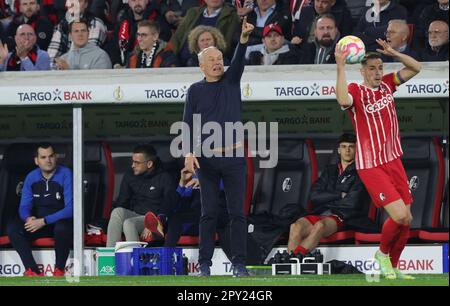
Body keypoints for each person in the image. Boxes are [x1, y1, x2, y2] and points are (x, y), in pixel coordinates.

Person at [335, 38, 422, 279]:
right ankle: (382, 254)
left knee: (407, 220)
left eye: (380, 67)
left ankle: (393, 266)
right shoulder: (356, 90)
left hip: (393, 160)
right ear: (362, 71)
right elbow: (343, 100)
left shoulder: (387, 85)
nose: (377, 72)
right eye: (372, 68)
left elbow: (416, 67)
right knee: (400, 215)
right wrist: (340, 67)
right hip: (371, 165)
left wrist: (394, 53)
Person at [182, 17, 254, 277]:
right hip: (207, 161)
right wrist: (189, 153)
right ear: (202, 66)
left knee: (238, 214)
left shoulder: (232, 80)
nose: (217, 62)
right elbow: (187, 125)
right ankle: (204, 265)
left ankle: (239, 264)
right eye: (211, 60)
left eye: (219, 58)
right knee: (208, 213)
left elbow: (239, 60)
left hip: (234, 158)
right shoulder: (195, 91)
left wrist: (244, 39)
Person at [287, 133, 374, 255]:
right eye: (343, 147)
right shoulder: (330, 171)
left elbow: (352, 203)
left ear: (356, 150)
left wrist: (327, 198)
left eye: (351, 147)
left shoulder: (361, 172)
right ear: (338, 150)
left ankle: (294, 258)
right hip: (322, 212)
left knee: (319, 226)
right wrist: (339, 195)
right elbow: (314, 196)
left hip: (345, 217)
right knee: (295, 226)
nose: (347, 150)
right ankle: (290, 261)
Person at [7, 143, 73, 277]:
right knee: (13, 229)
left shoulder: (66, 174)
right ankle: (33, 271)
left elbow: (71, 209)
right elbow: (24, 206)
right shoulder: (31, 177)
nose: (48, 160)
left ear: (56, 157)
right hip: (38, 223)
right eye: (43, 157)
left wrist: (44, 221)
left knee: (62, 228)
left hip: (59, 221)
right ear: (36, 161)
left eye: (51, 156)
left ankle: (59, 270)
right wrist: (28, 218)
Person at [106, 144, 178, 247]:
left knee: (129, 223)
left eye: (137, 163)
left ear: (149, 164)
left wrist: (153, 223)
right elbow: (122, 202)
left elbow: (168, 206)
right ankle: (110, 255)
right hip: (136, 215)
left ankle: (134, 259)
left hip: (156, 221)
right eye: (133, 161)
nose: (133, 165)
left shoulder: (165, 178)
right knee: (117, 212)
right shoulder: (130, 175)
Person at [170, 0, 240, 66]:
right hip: (180, 62)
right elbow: (176, 39)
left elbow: (227, 43)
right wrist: (173, 59)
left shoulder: (232, 15)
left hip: (209, 63)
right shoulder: (193, 12)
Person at [109, 0, 171, 68]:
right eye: (133, 0)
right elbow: (113, 46)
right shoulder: (123, 22)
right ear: (129, 3)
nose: (137, 3)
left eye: (140, 0)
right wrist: (116, 64)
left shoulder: (158, 21)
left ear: (147, 1)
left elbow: (162, 43)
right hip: (124, 69)